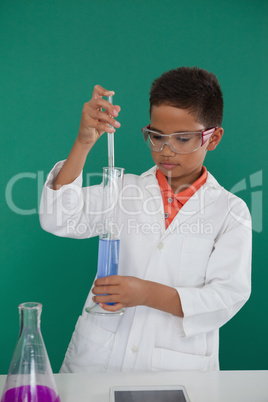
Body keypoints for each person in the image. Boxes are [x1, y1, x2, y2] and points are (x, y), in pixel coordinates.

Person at [39, 67, 252, 372]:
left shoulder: (230, 212)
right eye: (156, 136)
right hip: (100, 359)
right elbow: (59, 217)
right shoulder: (124, 191)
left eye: (182, 138)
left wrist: (145, 293)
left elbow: (227, 296)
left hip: (177, 365)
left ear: (213, 137)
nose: (166, 149)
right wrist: (84, 142)